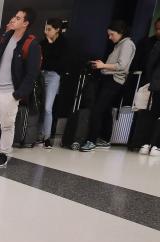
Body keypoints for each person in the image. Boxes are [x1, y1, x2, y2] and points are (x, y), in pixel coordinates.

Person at [0, 7, 42, 168]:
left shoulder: (32, 44)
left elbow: (32, 74)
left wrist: (19, 94)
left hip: (10, 92)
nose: (13, 20)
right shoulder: (6, 37)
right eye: (15, 16)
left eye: (18, 18)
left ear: (26, 23)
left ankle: (4, 152)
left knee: (7, 124)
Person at [79, 21, 136, 152]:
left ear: (121, 33)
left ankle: (91, 140)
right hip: (109, 79)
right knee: (105, 110)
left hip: (114, 81)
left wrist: (103, 66)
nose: (110, 37)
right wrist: (102, 65)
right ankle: (104, 139)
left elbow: (121, 65)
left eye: (112, 34)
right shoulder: (121, 44)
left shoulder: (127, 44)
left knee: (97, 110)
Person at [39, 18, 68, 149]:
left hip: (53, 76)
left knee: (47, 107)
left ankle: (47, 137)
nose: (46, 32)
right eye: (45, 29)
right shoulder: (43, 43)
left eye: (49, 29)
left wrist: (50, 46)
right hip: (41, 74)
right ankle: (39, 134)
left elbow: (60, 64)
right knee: (39, 105)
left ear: (57, 29)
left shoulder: (63, 43)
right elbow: (42, 61)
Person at [139, 39, 160, 156]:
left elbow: (151, 61)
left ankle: (145, 145)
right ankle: (157, 146)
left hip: (158, 82)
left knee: (153, 113)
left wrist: (153, 78)